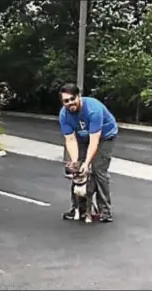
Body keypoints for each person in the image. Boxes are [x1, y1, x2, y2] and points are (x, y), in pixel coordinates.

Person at [58, 83, 117, 223]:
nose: (70, 103)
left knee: (98, 169)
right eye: (66, 101)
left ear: (79, 96)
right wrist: (77, 163)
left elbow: (94, 140)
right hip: (81, 137)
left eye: (72, 99)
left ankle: (104, 211)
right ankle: (79, 209)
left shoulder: (93, 109)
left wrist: (87, 163)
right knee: (77, 170)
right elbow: (70, 139)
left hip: (105, 136)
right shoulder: (64, 115)